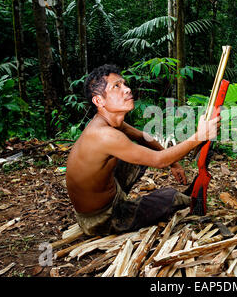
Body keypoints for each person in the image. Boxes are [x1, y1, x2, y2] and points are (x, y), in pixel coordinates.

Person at [66, 64, 220, 236]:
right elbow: (158, 160)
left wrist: (175, 164)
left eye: (124, 84)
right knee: (171, 196)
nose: (127, 89)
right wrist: (199, 136)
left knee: (139, 149)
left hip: (111, 191)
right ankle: (187, 199)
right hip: (101, 218)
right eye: (116, 86)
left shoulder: (109, 122)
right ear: (98, 101)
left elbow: (142, 137)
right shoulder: (104, 135)